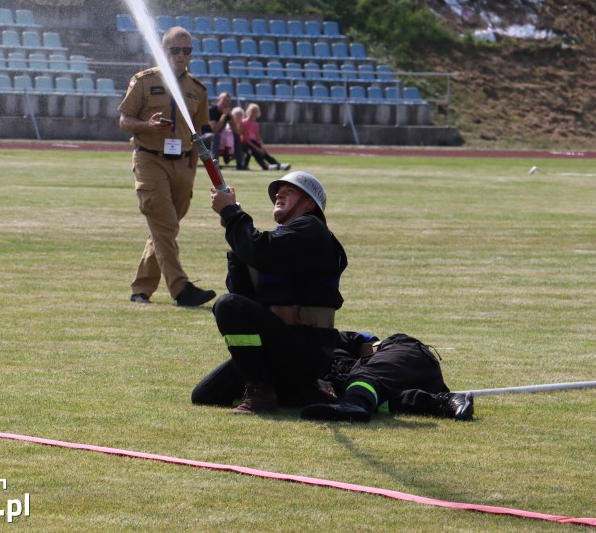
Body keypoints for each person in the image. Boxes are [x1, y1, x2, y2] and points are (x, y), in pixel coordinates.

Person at [208, 170, 347, 414]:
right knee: (207, 395)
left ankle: (261, 394)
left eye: (289, 191)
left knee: (227, 304)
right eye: (277, 192)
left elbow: (260, 252)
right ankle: (295, 391)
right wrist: (234, 233)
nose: (278, 195)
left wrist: (232, 215)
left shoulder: (311, 229)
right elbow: (245, 295)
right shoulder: (286, 238)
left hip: (307, 349)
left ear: (309, 204)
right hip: (281, 345)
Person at [117, 26, 217, 308]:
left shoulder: (197, 88)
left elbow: (198, 131)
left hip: (183, 163)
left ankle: (141, 289)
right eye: (176, 50)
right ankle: (181, 288)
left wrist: (192, 168)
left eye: (187, 51)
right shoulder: (144, 81)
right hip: (150, 159)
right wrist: (147, 125)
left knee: (164, 229)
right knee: (165, 224)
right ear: (163, 51)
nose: (182, 56)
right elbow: (124, 120)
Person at [191, 331, 474, 423]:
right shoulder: (273, 380)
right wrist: (249, 353)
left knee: (362, 379)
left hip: (403, 355)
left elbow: (372, 347)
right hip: (384, 390)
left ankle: (356, 402)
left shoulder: (323, 339)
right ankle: (445, 402)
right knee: (381, 401)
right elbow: (204, 395)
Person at [239, 103, 290, 171]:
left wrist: (261, 147)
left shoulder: (255, 124)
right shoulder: (244, 122)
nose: (253, 113)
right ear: (248, 111)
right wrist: (257, 148)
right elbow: (245, 139)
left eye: (255, 112)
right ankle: (265, 166)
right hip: (246, 143)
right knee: (256, 152)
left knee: (264, 153)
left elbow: (258, 137)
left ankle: (278, 165)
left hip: (253, 142)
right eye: (252, 111)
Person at [204, 92, 246, 170]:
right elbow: (215, 129)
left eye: (228, 101)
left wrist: (231, 116)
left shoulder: (226, 112)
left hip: (217, 138)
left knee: (236, 136)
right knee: (216, 135)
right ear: (219, 100)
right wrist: (223, 115)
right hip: (204, 138)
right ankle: (215, 162)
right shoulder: (211, 110)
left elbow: (235, 130)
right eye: (224, 100)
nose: (226, 103)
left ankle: (240, 163)